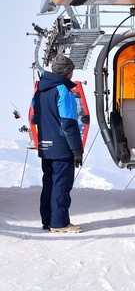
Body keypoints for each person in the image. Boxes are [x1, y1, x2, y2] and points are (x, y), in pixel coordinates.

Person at [32, 55, 85, 233]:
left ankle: (48, 220)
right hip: (62, 147)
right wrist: (77, 150)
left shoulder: (40, 91)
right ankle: (60, 223)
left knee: (49, 183)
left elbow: (35, 117)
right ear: (67, 72)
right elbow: (69, 123)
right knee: (61, 184)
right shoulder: (63, 91)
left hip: (45, 146)